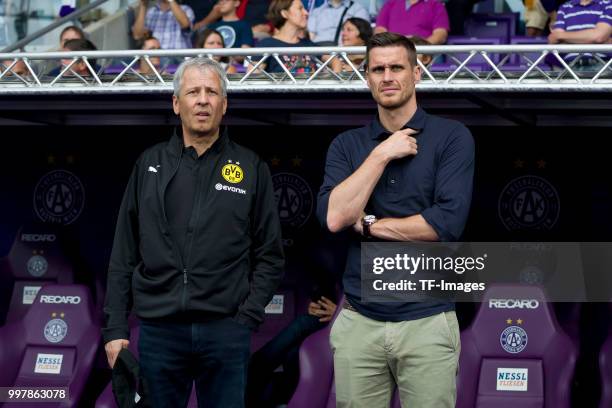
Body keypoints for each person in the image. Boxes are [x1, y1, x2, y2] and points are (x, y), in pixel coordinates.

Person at [103, 57, 285, 408]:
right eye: (193, 92)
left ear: (224, 104)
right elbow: (123, 254)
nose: (203, 100)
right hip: (159, 331)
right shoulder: (149, 165)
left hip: (225, 332)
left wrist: (246, 317)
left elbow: (270, 254)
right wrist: (115, 329)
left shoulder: (250, 167)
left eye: (211, 92)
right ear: (176, 104)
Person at [317, 33, 474, 407]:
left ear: (416, 73)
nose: (387, 76)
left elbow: (442, 226)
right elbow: (336, 217)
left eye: (396, 67)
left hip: (427, 320)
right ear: (367, 77)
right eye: (377, 69)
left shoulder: (451, 137)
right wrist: (382, 153)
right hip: (360, 321)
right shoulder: (348, 145)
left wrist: (370, 225)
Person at [256, 0, 319, 74]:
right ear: (285, 14)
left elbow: (334, 60)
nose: (306, 13)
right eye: (300, 8)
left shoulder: (309, 44)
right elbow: (251, 80)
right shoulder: (267, 44)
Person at [374, 0, 450, 44]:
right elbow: (380, 30)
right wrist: (393, 46)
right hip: (393, 51)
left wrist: (419, 47)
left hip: (423, 53)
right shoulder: (390, 4)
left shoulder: (436, 5)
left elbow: (440, 35)